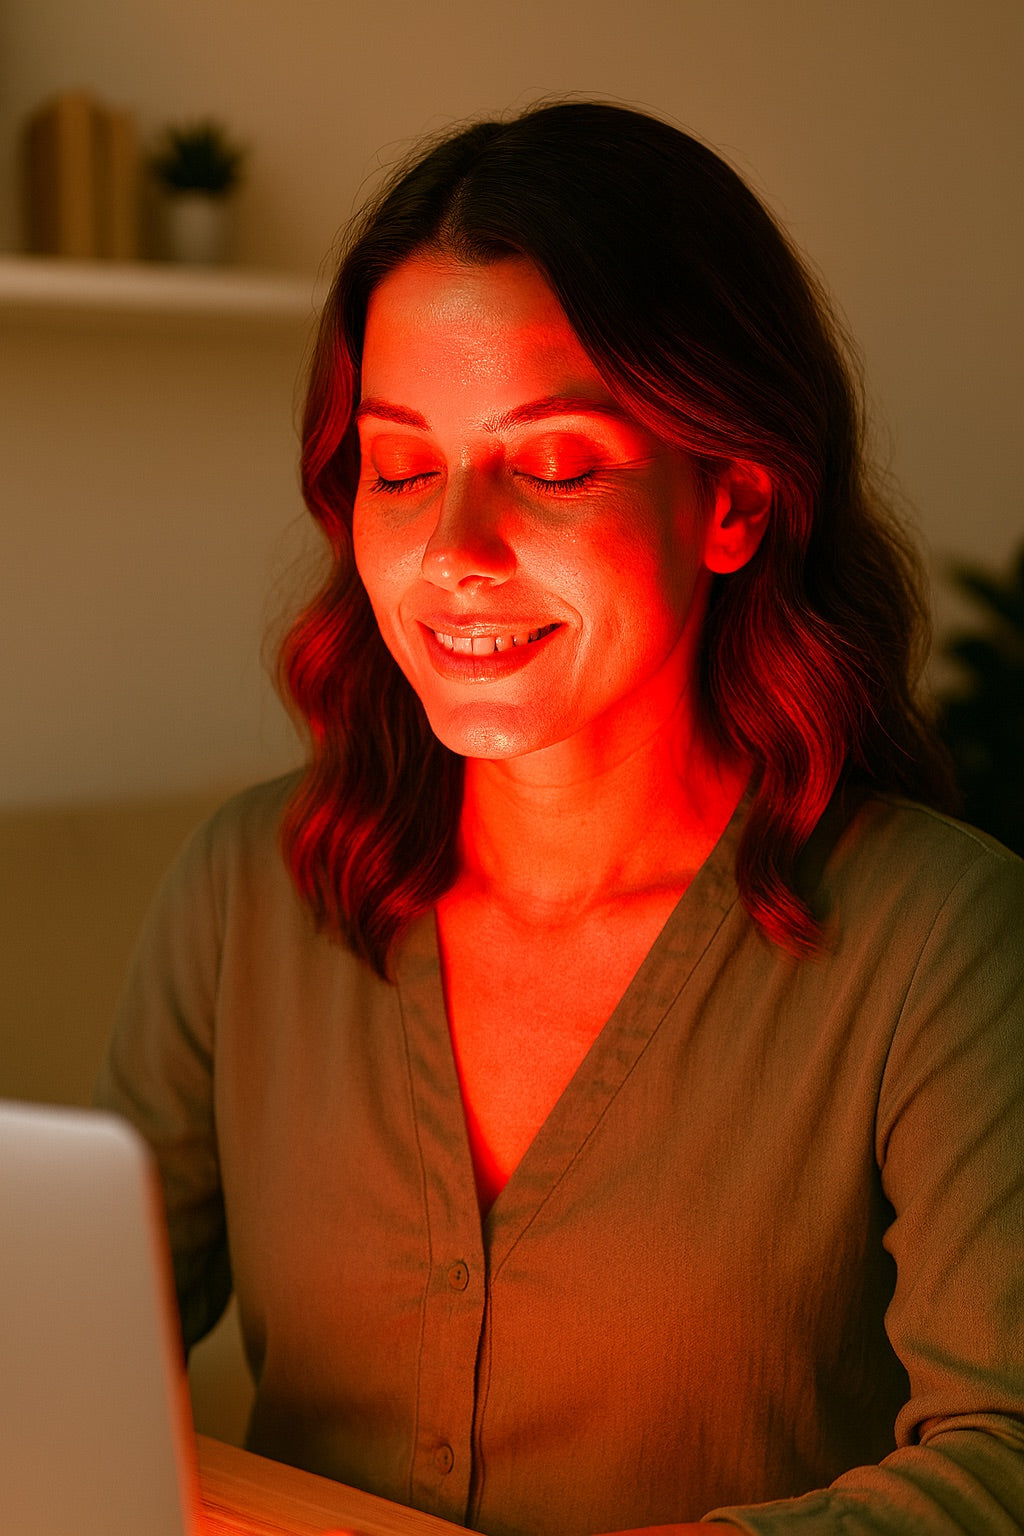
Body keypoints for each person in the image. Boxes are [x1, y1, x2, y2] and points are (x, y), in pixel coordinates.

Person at [95, 101, 1024, 1535]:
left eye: (554, 466)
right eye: (400, 470)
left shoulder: (940, 939)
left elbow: (1002, 1453)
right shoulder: (249, 888)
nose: (454, 552)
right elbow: (79, 1346)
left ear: (733, 504)